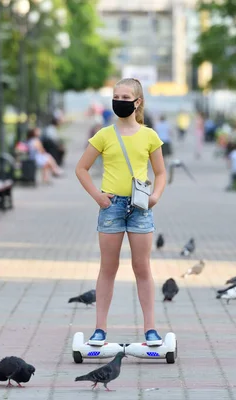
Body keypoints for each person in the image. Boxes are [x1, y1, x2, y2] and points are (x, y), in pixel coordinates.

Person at [75, 78, 167, 347]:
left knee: (142, 268)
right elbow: (81, 168)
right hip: (111, 207)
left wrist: (155, 197)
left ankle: (150, 329)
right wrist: (97, 196)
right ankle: (99, 330)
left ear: (137, 102)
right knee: (108, 268)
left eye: (125, 97)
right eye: (116, 96)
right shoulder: (104, 135)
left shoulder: (149, 136)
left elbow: (161, 173)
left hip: (140, 207)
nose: (119, 101)